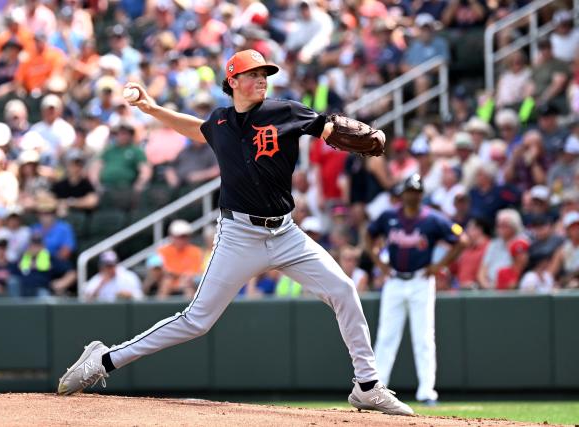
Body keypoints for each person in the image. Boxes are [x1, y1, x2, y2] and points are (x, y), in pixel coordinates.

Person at [58, 49, 412, 416]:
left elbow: (327, 126)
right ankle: (104, 359)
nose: (262, 79)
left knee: (343, 289)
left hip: (286, 233)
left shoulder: (284, 111)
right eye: (253, 74)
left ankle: (368, 385)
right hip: (239, 235)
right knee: (196, 321)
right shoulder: (221, 122)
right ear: (233, 81)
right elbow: (196, 129)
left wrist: (359, 130)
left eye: (265, 74)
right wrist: (152, 110)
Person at [364, 174, 467, 405]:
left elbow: (462, 239)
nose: (412, 194)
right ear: (403, 193)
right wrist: (380, 263)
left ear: (421, 194)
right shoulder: (389, 216)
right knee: (386, 336)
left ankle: (427, 392)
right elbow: (368, 235)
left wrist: (439, 266)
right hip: (395, 280)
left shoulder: (432, 219)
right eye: (409, 190)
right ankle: (377, 391)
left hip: (421, 280)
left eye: (416, 191)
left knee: (423, 337)